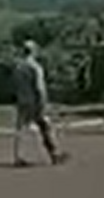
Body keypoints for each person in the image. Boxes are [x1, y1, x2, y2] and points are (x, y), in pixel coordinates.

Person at [12, 39, 66, 167]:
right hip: (34, 101)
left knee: (21, 128)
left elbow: (15, 85)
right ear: (34, 51)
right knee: (46, 126)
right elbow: (39, 87)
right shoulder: (35, 67)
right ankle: (54, 154)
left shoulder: (18, 67)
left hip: (22, 100)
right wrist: (43, 102)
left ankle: (19, 156)